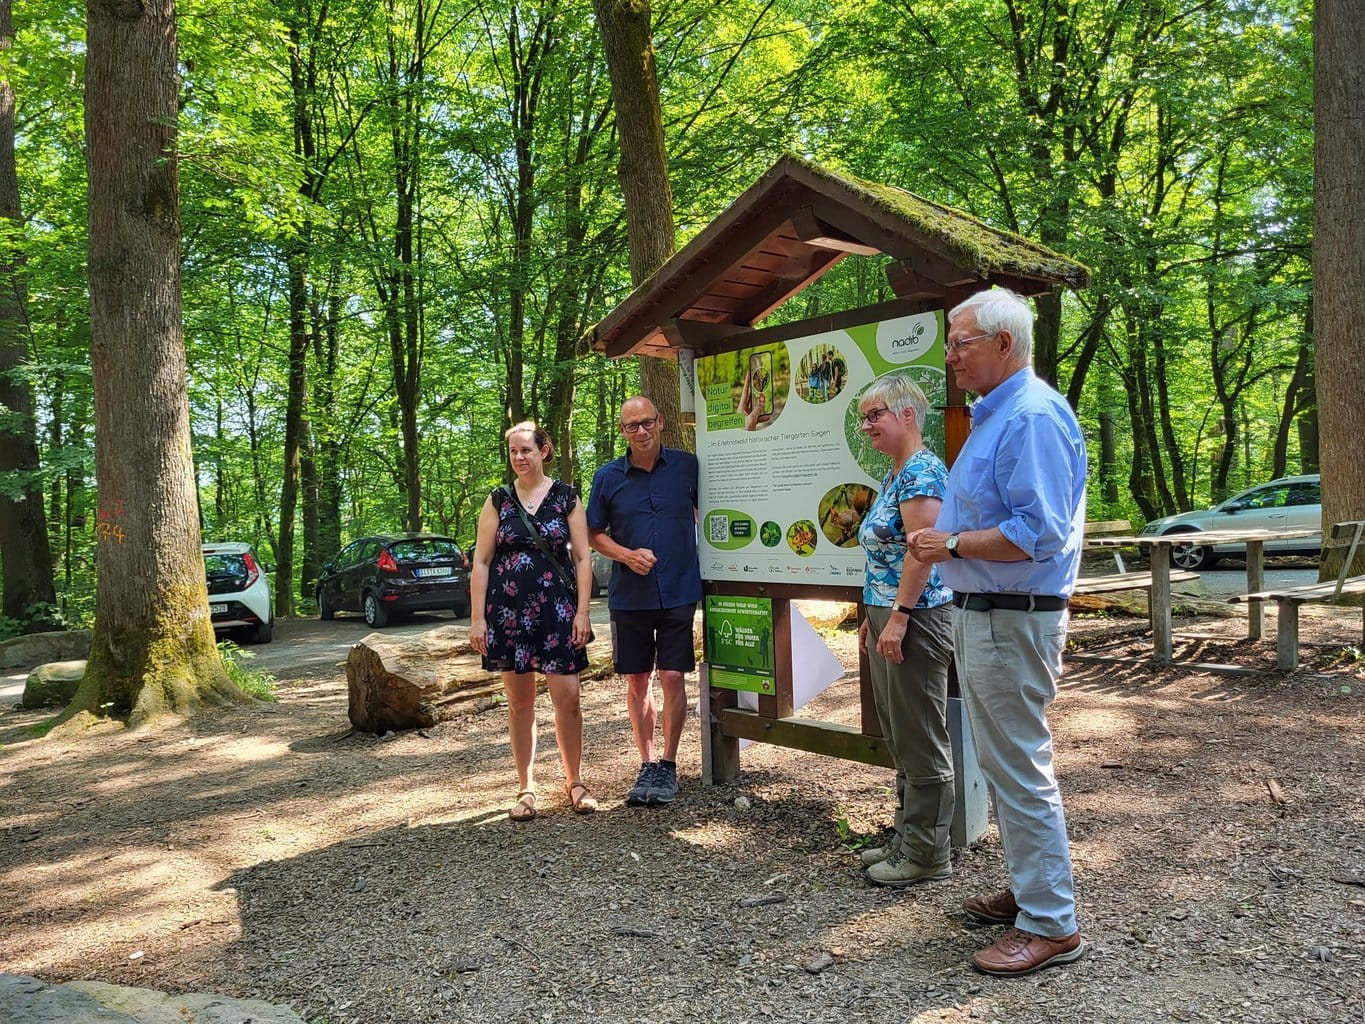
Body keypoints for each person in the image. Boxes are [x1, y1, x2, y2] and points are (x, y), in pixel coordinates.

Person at [909, 287, 1088, 976]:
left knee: (1018, 766)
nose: (950, 356)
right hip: (989, 618)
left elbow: (1035, 534)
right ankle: (1030, 889)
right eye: (950, 343)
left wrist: (949, 545)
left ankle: (1050, 924)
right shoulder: (999, 415)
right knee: (1005, 764)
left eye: (961, 342)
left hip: (1011, 620)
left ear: (1004, 344)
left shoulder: (1031, 417)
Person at [855, 374, 956, 887]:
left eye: (875, 415)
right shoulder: (898, 472)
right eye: (864, 417)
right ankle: (907, 837)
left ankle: (928, 853)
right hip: (888, 613)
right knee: (899, 731)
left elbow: (923, 552)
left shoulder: (922, 473)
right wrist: (874, 616)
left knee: (920, 736)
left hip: (914, 617)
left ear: (908, 415)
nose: (867, 424)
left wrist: (897, 617)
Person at [470, 421, 596, 822]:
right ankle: (525, 787)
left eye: (527, 450)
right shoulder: (497, 501)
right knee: (520, 704)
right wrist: (477, 620)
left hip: (557, 612)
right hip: (508, 615)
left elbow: (582, 559)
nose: (520, 458)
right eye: (513, 452)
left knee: (569, 699)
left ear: (544, 450)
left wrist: (582, 611)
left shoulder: (566, 498)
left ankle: (574, 781)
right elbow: (481, 561)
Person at [588, 396, 702, 807]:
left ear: (661, 422)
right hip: (629, 596)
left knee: (672, 676)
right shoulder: (607, 477)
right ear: (622, 431)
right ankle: (647, 762)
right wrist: (626, 555)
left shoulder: (689, 466)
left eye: (646, 423)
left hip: (678, 589)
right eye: (631, 425)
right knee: (637, 681)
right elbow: (593, 533)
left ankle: (669, 765)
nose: (640, 431)